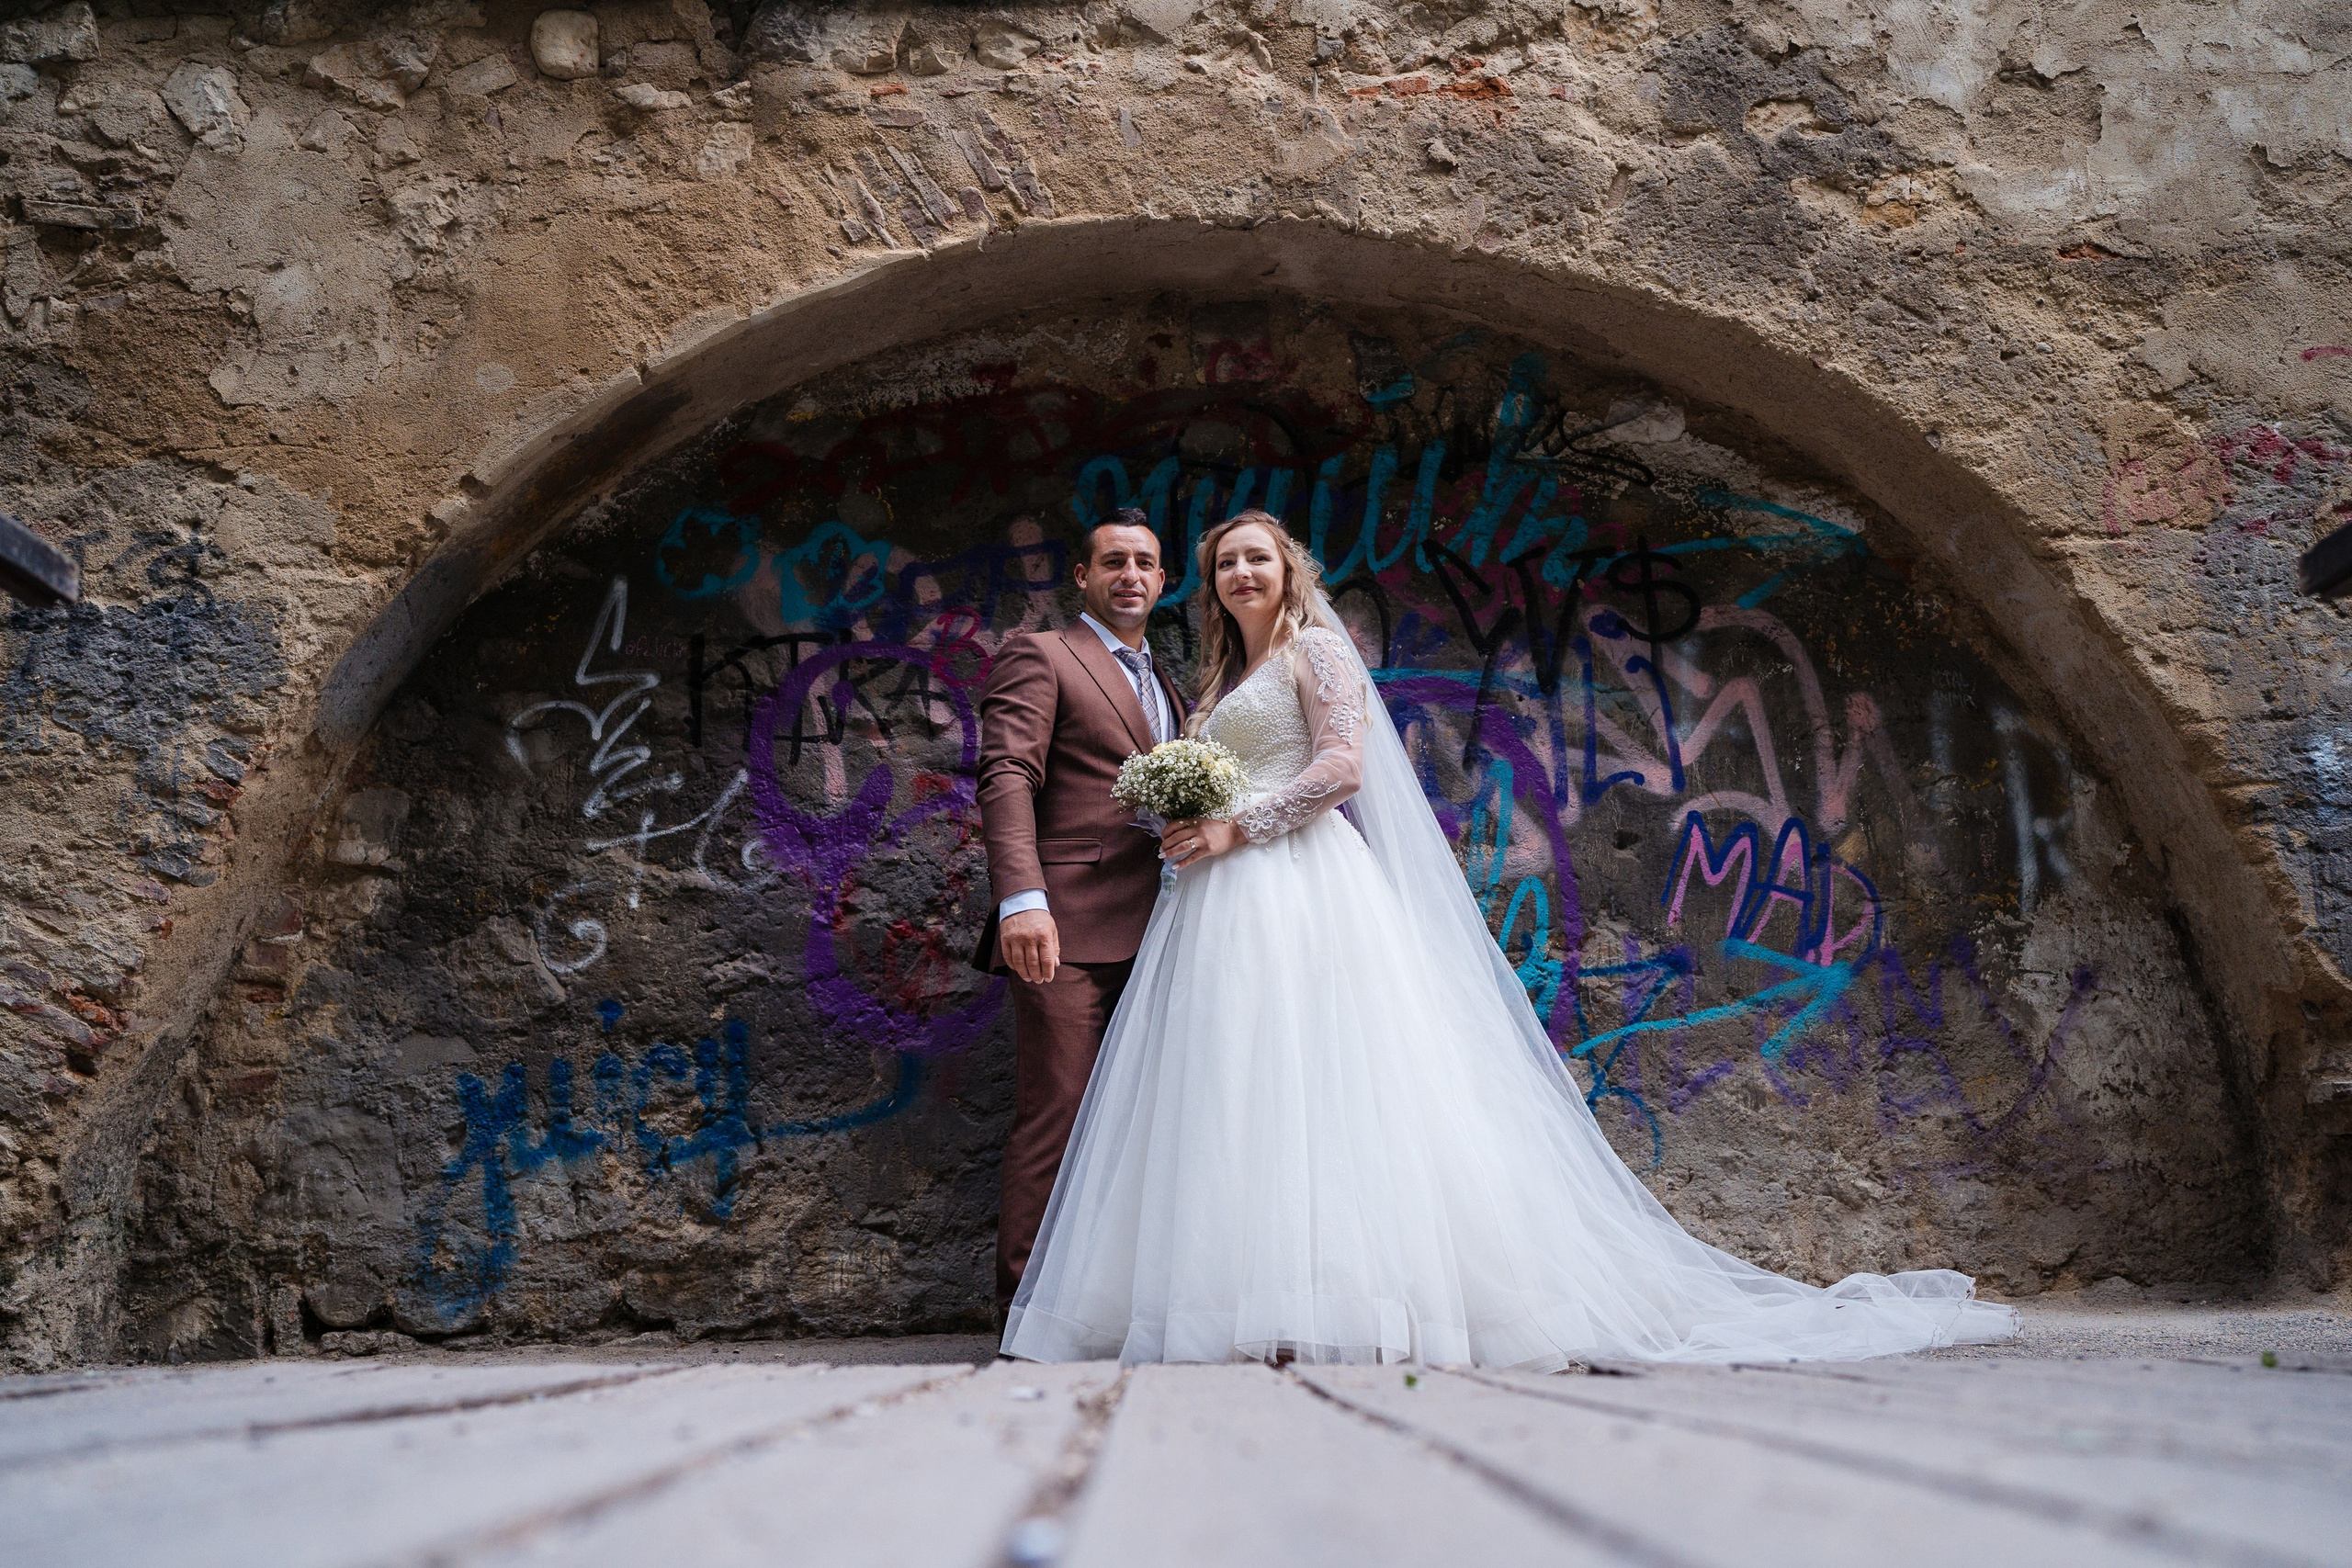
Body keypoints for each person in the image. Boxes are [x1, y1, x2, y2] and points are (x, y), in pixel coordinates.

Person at [1000, 510, 2018, 1368]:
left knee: (1324, 1085)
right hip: (1213, 903)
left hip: (1299, 887)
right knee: (1227, 1089)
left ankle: (1335, 1301)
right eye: (1225, 561)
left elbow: (1344, 770)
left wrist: (1236, 824)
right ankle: (1233, 1297)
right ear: (1206, 582)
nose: (1240, 572)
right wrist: (1185, 824)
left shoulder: (1314, 650)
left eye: (1255, 557)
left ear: (1287, 569)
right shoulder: (1217, 676)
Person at [973, 508, 1188, 1318]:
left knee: (1145, 1121)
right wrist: (1022, 901)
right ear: (1084, 578)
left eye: (1145, 562)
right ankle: (1025, 1311)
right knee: (1057, 1110)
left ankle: (1117, 1305)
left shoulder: (1165, 679)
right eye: (1113, 562)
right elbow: (1006, 775)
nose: (1129, 575)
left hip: (1164, 925)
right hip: (1064, 928)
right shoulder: (1045, 654)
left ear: (1163, 581)